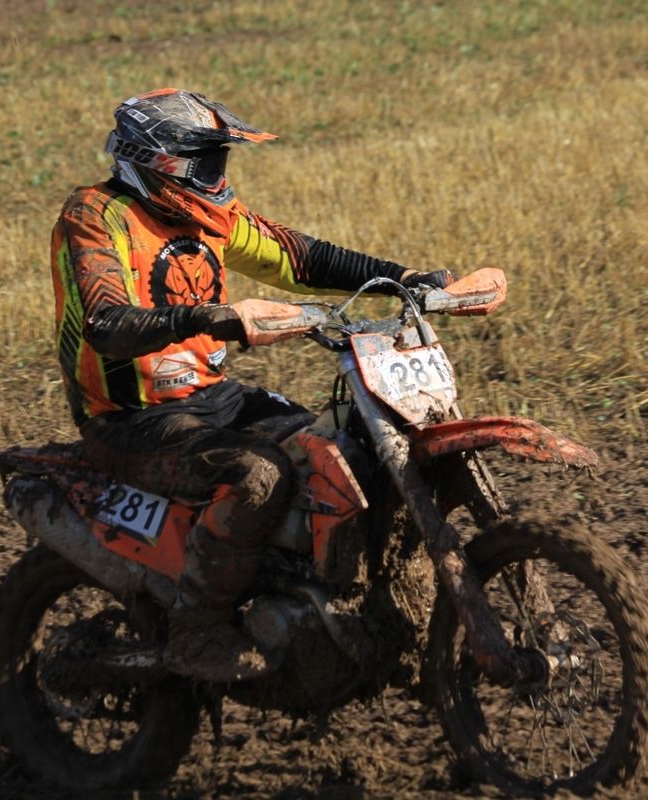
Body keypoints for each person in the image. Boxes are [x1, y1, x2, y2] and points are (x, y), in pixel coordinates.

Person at [51, 88, 454, 682]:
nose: (217, 176)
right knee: (258, 476)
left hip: (212, 399)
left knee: (337, 448)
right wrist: (210, 316)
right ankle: (197, 630)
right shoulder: (95, 215)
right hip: (129, 417)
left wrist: (402, 278)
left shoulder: (212, 217)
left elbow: (300, 258)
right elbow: (105, 323)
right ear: (163, 162)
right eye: (206, 162)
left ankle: (327, 599)